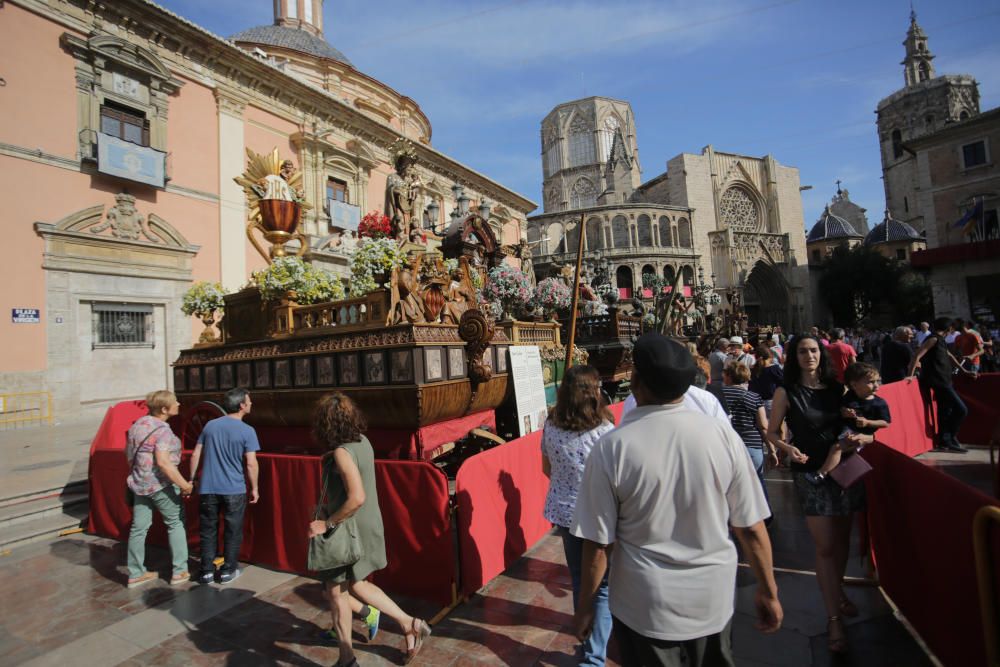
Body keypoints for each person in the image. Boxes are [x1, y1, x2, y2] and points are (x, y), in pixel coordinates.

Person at [572, 334, 782, 666]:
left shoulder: (612, 448)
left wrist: (585, 608)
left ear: (636, 383)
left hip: (645, 605)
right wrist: (768, 590)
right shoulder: (722, 436)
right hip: (710, 598)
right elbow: (751, 527)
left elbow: (598, 546)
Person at [766, 333, 870, 655]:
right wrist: (786, 447)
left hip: (843, 468)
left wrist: (858, 435)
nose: (809, 356)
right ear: (793, 357)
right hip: (810, 473)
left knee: (841, 540)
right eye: (802, 351)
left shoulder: (838, 390)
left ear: (821, 355)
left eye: (813, 351)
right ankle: (833, 618)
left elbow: (857, 421)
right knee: (825, 546)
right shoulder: (787, 392)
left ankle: (837, 592)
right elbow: (771, 430)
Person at [309, 393, 431, 667]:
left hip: (348, 528)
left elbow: (356, 497)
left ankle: (347, 659)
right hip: (366, 523)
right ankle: (410, 623)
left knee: (337, 592)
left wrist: (326, 523)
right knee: (358, 584)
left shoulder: (341, 453)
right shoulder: (363, 442)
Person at [541, 365, 616, 666]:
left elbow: (547, 468)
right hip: (598, 514)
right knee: (601, 586)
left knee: (579, 580)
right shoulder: (604, 429)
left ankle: (588, 645)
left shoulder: (551, 424)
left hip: (566, 511)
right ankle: (594, 654)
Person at [189, 388, 260, 584]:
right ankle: (228, 570)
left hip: (208, 488)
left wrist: (191, 479)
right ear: (242, 405)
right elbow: (251, 463)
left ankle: (206, 571)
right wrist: (254, 488)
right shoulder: (248, 431)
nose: (251, 404)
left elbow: (196, 454)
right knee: (233, 529)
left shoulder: (210, 426)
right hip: (234, 488)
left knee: (208, 529)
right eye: (249, 401)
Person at [125, 390, 194, 588]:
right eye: (174, 402)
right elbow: (164, 463)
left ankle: (136, 573)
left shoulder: (137, 425)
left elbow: (128, 454)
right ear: (164, 409)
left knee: (138, 528)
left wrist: (140, 473)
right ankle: (180, 571)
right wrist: (184, 485)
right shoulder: (163, 431)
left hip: (139, 484)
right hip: (160, 485)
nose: (178, 403)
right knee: (175, 522)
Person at [806, 363, 891, 485]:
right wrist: (844, 412)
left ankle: (821, 474)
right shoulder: (850, 396)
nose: (876, 385)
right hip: (846, 430)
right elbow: (841, 408)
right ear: (854, 385)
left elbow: (885, 423)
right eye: (870, 382)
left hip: (861, 434)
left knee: (837, 448)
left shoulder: (879, 403)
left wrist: (868, 422)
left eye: (878, 381)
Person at [909, 317, 977, 453]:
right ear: (949, 328)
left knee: (945, 411)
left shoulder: (940, 341)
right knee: (961, 409)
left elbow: (950, 356)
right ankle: (949, 437)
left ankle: (945, 441)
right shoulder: (933, 339)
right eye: (952, 327)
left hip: (945, 379)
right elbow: (917, 355)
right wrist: (910, 375)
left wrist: (964, 370)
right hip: (938, 380)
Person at [722, 361, 776, 508]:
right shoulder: (753, 397)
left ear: (728, 377)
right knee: (757, 483)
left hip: (726, 447)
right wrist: (771, 450)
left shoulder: (718, 396)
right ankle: (765, 517)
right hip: (751, 446)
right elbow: (763, 426)